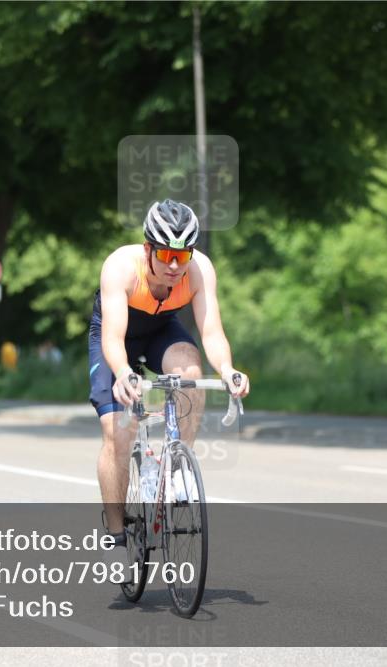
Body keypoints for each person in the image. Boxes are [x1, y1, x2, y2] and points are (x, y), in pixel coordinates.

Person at [89, 199, 250, 569]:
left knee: (190, 375)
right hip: (118, 336)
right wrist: (123, 372)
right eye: (165, 255)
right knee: (116, 432)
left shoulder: (199, 270)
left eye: (183, 255)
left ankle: (177, 468)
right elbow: (113, 339)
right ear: (148, 249)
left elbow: (212, 332)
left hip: (162, 331)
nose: (175, 265)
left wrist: (226, 370)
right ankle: (115, 533)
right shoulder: (120, 267)